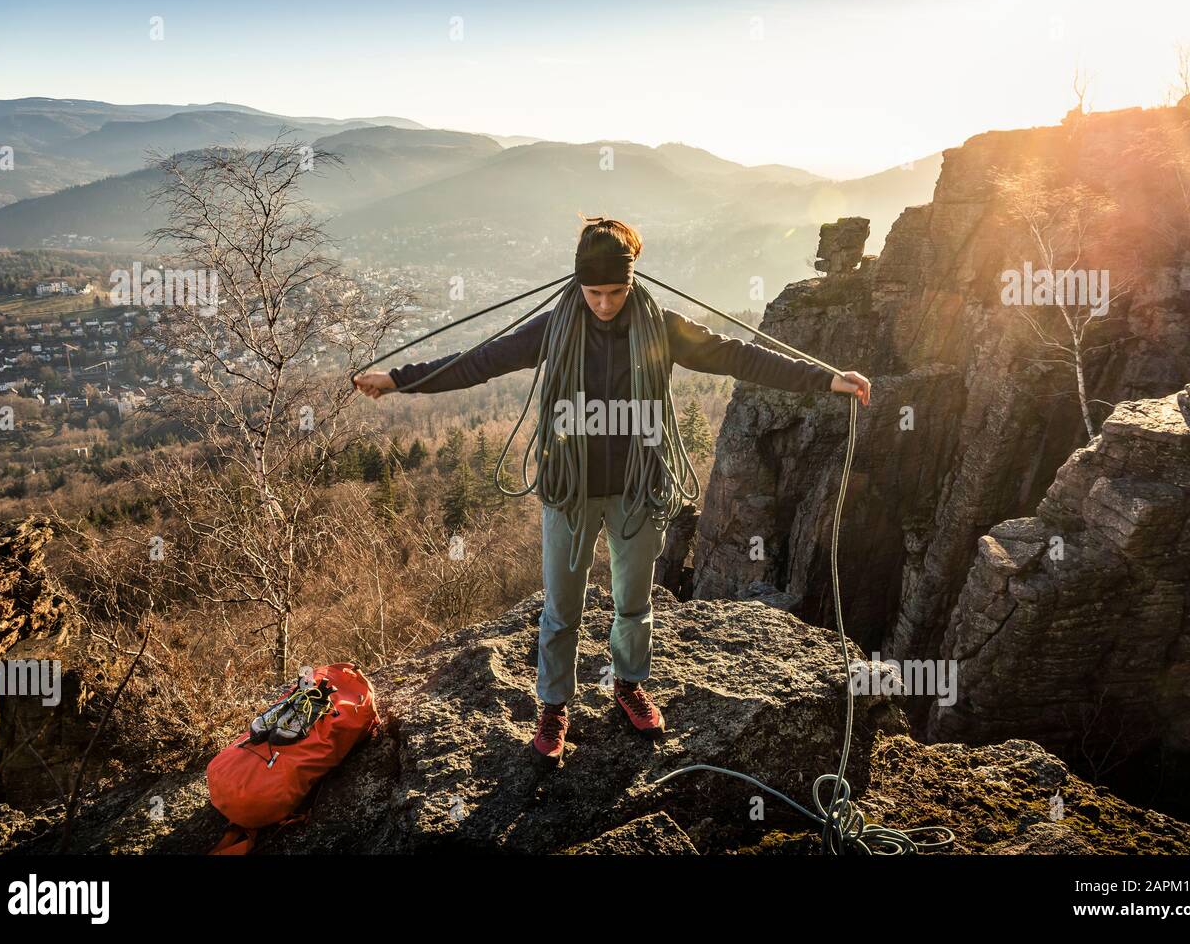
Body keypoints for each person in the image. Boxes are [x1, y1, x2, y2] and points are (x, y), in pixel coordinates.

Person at [354, 215, 871, 770]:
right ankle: (554, 705)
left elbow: (737, 355)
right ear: (578, 284)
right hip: (570, 493)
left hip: (635, 488)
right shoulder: (552, 329)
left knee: (633, 602)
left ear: (632, 282)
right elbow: (479, 362)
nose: (605, 303)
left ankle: (628, 684)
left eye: (616, 292)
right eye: (594, 292)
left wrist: (825, 378)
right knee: (561, 609)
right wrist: (400, 378)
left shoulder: (661, 326)